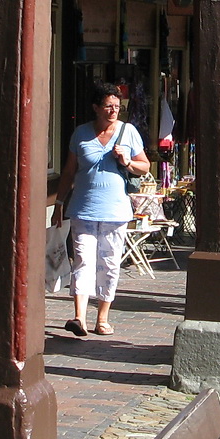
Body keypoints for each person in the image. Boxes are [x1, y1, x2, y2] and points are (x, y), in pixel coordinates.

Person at [53, 83, 150, 337]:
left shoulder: (128, 132)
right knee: (83, 260)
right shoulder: (81, 134)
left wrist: (127, 161)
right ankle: (79, 317)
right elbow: (68, 172)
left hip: (116, 210)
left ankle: (103, 317)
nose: (113, 111)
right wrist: (59, 203)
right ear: (96, 108)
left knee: (108, 263)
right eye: (108, 106)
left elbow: (145, 166)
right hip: (83, 208)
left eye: (117, 107)